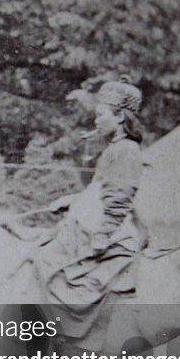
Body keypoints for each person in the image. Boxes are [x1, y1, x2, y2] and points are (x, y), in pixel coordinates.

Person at [34, 76, 147, 338]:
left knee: (51, 266)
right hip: (90, 225)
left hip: (109, 232)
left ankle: (69, 335)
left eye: (101, 114)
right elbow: (100, 188)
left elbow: (119, 197)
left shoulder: (126, 150)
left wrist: (103, 234)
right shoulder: (116, 147)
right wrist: (71, 200)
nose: (96, 120)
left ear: (119, 117)